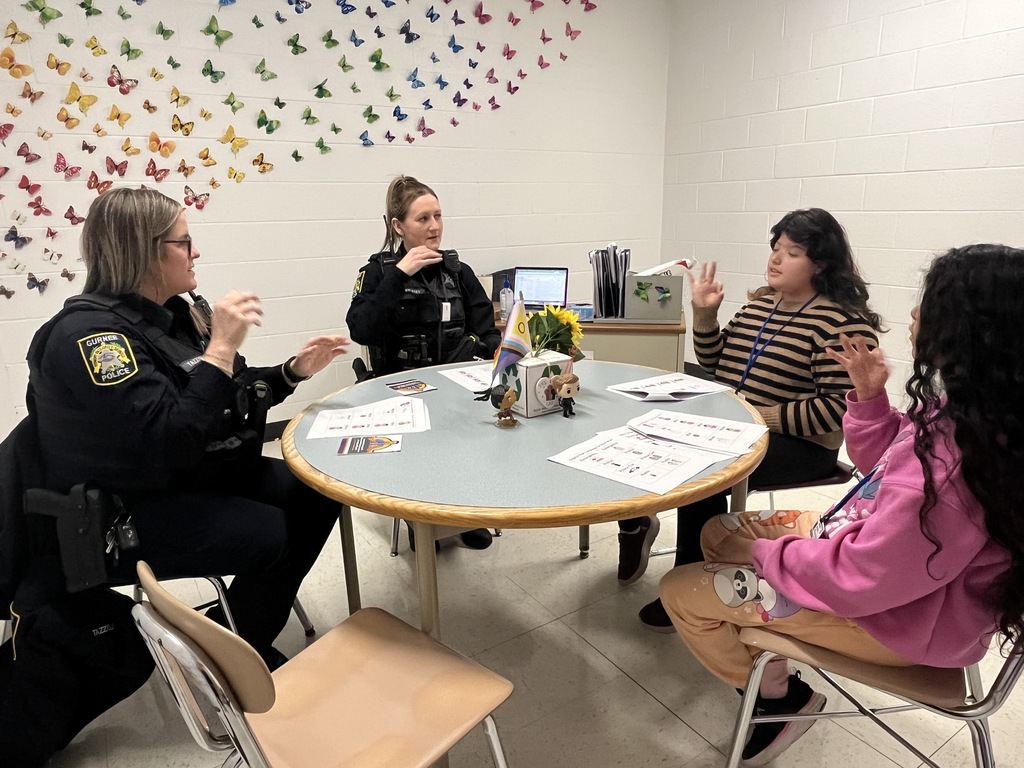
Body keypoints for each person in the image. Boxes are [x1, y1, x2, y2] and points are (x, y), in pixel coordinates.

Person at [1, 187, 349, 767]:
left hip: (188, 475)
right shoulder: (90, 340)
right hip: (119, 514)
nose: (196, 253)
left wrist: (289, 372)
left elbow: (213, 398)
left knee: (316, 490)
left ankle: (235, 633)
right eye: (184, 242)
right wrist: (219, 351)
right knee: (271, 535)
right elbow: (167, 441)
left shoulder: (175, 313)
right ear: (144, 251)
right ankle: (236, 658)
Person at [659, 243, 1022, 765]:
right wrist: (872, 399)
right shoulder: (978, 414)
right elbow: (885, 473)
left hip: (896, 617)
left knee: (682, 590)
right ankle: (766, 648)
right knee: (719, 532)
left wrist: (766, 558)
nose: (915, 313)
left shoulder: (948, 469)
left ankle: (780, 701)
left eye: (930, 304)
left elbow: (865, 574)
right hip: (884, 560)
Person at [617, 208, 882, 630]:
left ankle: (688, 583)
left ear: (822, 264)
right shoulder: (761, 306)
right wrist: (705, 314)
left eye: (792, 252)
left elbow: (841, 406)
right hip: (738, 426)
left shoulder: (840, 324)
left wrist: (760, 418)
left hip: (803, 445)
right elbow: (715, 361)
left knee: (701, 476)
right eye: (776, 248)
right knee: (638, 433)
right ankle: (635, 524)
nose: (776, 259)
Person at [346, 175, 500, 551]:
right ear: (398, 226)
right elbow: (360, 328)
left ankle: (463, 516)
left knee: (472, 446)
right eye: (422, 219)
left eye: (438, 216)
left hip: (457, 387)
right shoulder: (380, 272)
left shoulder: (457, 271)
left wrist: (497, 349)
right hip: (401, 391)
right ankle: (421, 519)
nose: (434, 227)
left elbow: (487, 328)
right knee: (423, 456)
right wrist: (400, 275)